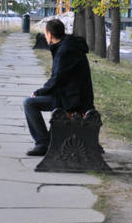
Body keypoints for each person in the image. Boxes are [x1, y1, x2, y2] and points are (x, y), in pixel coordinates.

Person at [23, 18, 94, 156]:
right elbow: (59, 78)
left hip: (74, 99)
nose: (45, 36)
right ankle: (46, 141)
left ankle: (43, 143)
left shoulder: (65, 50)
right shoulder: (68, 45)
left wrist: (38, 92)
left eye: (45, 33)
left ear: (49, 34)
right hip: (72, 94)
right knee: (33, 101)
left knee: (29, 104)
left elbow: (57, 79)